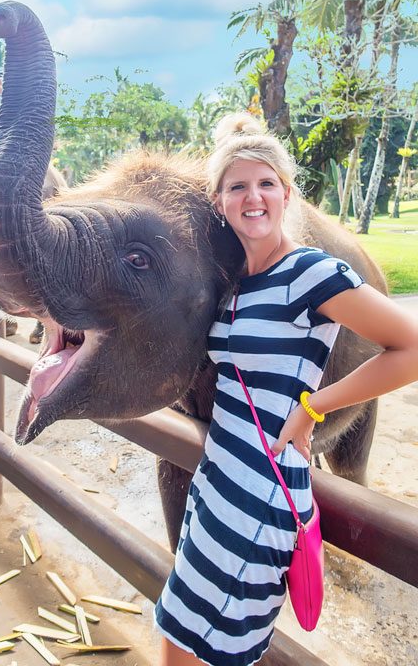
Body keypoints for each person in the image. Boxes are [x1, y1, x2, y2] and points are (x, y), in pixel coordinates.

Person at [154, 113, 418, 666]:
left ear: (286, 192)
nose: (253, 197)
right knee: (175, 638)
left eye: (266, 183)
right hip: (216, 487)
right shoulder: (236, 284)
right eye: (238, 186)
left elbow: (411, 348)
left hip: (260, 503)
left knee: (218, 654)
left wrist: (314, 406)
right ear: (218, 199)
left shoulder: (311, 272)